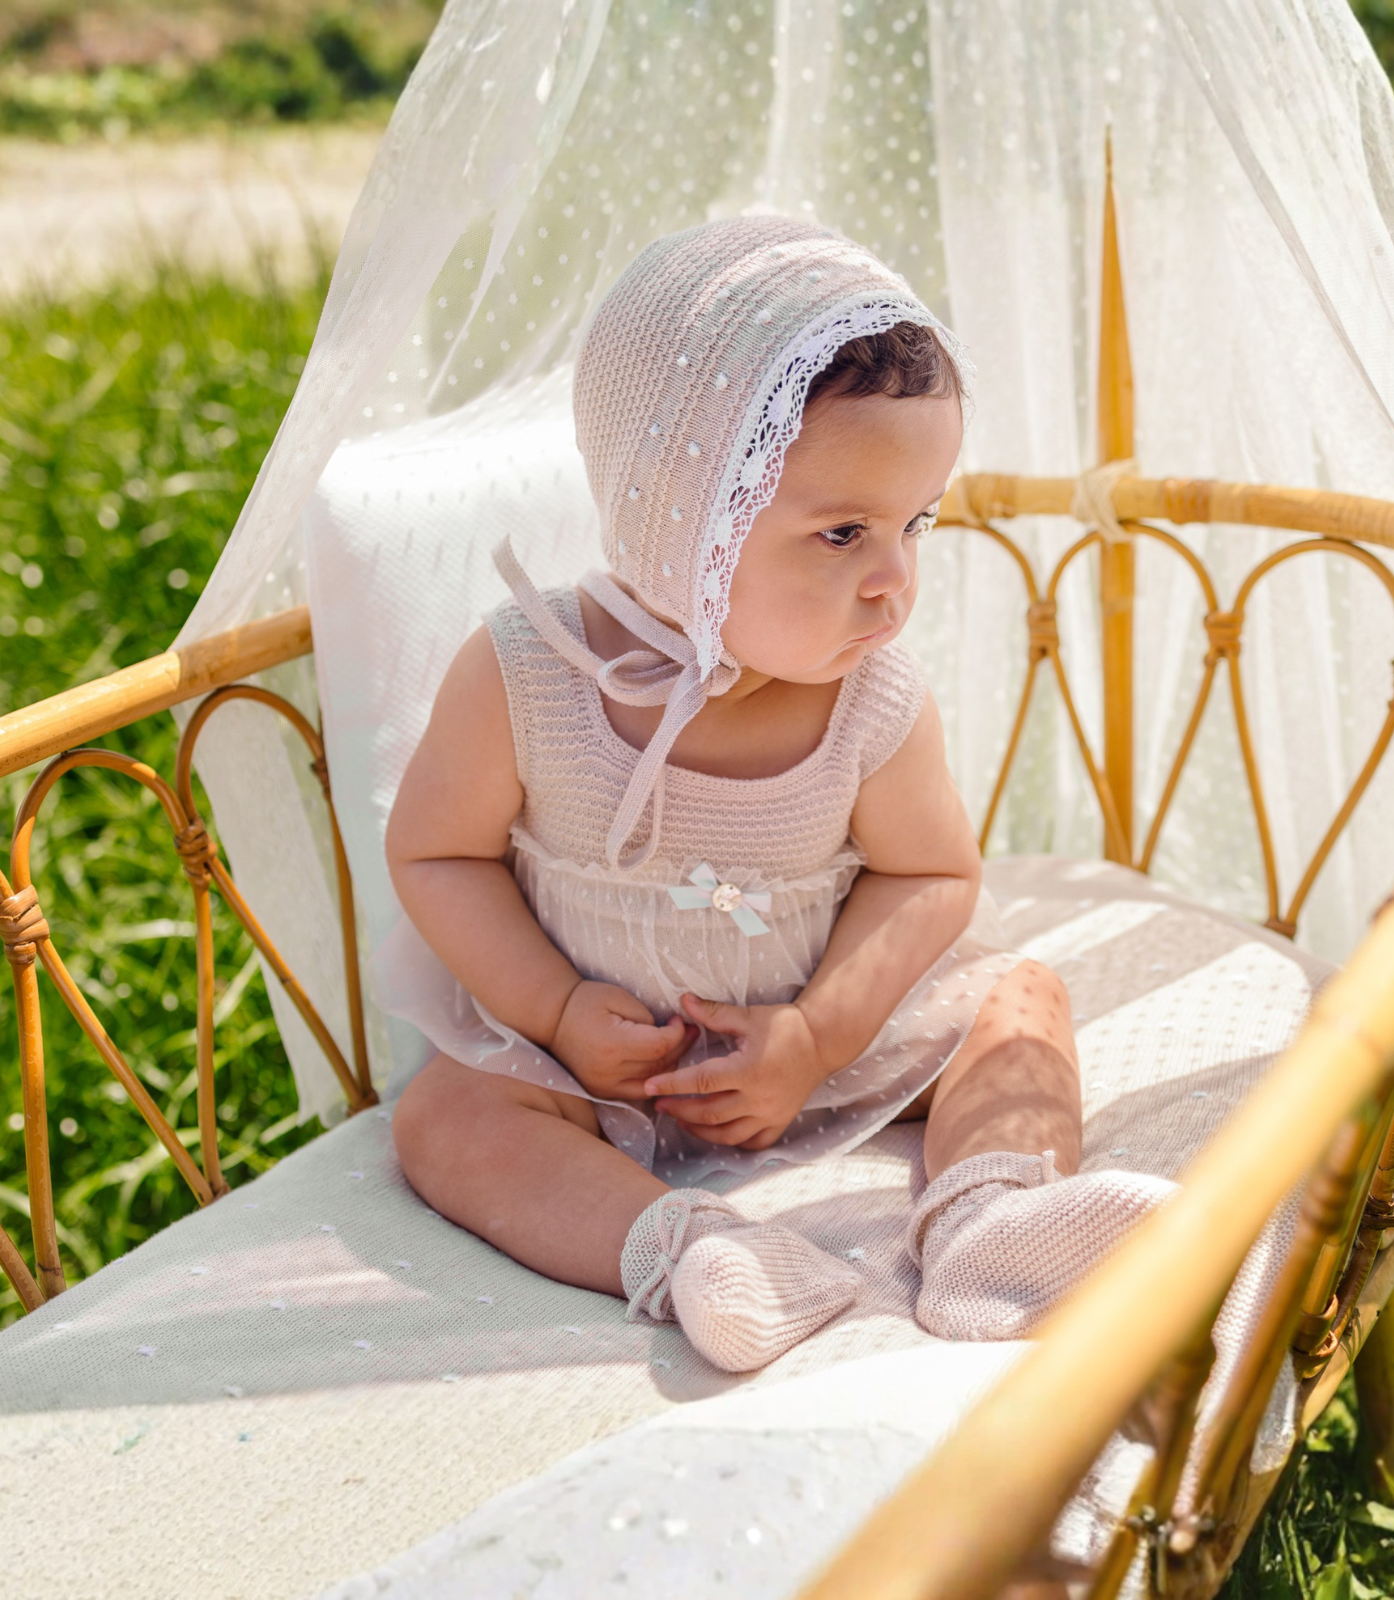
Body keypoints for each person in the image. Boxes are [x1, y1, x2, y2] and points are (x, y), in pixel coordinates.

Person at [383, 216, 1164, 1373]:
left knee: (1020, 997)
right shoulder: (527, 675)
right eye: (843, 533)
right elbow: (436, 854)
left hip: (820, 1041)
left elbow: (932, 871)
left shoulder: (871, 700)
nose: (892, 582)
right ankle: (691, 1248)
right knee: (443, 1121)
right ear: (675, 514)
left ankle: (988, 1221)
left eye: (916, 524)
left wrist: (815, 1034)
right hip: (602, 1068)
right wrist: (551, 1011)